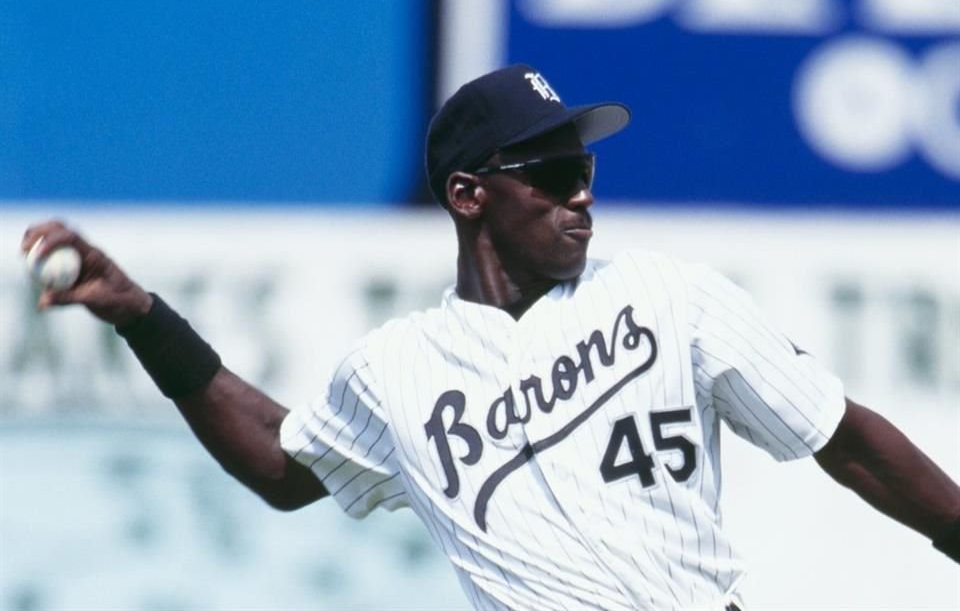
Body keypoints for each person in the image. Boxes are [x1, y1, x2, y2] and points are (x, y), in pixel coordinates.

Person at [21, 64, 960, 611]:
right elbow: (278, 463)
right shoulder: (396, 370)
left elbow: (844, 438)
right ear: (469, 194)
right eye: (550, 169)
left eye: (583, 163)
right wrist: (141, 315)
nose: (580, 190)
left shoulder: (669, 297)